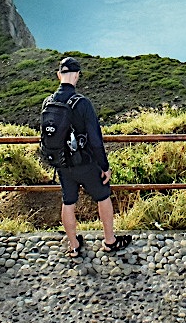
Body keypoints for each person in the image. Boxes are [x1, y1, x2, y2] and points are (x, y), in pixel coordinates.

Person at [43, 56, 131, 256]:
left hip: (62, 164)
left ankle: (73, 245)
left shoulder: (48, 102)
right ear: (77, 76)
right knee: (103, 196)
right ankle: (109, 241)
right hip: (84, 162)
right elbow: (95, 139)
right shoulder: (82, 103)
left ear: (59, 75)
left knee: (68, 201)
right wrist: (105, 166)